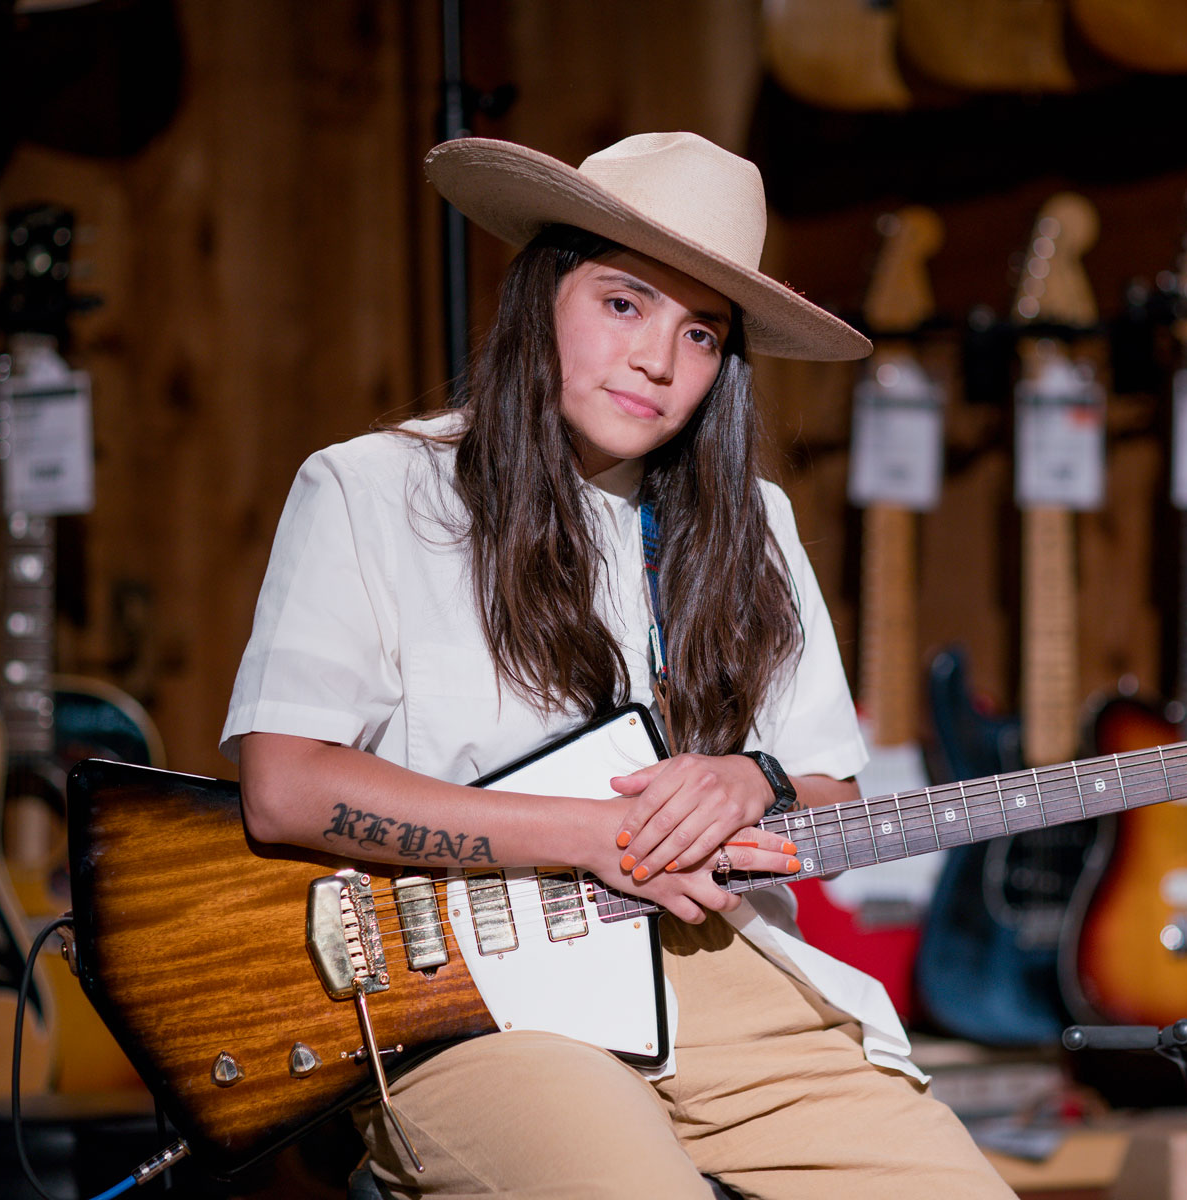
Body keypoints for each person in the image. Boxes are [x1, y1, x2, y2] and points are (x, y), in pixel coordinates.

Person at [222, 131, 1016, 1200]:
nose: (659, 360)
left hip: (725, 979)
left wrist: (756, 780)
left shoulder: (755, 524)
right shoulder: (374, 490)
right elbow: (285, 788)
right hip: (477, 1000)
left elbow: (830, 789)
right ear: (544, 292)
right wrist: (595, 838)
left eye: (703, 332)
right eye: (624, 303)